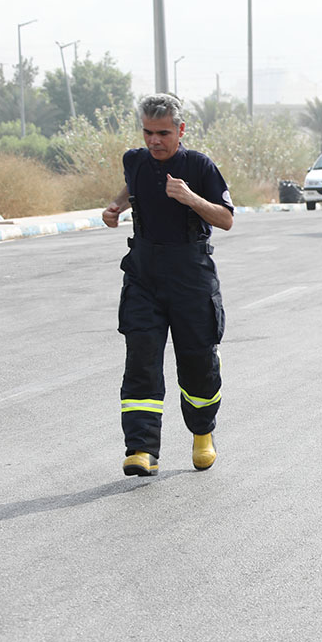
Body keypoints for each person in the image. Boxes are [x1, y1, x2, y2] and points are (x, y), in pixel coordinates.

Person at [102, 94, 234, 476]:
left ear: (180, 130)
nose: (154, 141)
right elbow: (132, 186)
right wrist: (115, 208)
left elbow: (225, 219)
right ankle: (141, 449)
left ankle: (202, 432)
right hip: (143, 275)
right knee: (141, 360)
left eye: (162, 133)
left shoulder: (199, 165)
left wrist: (190, 197)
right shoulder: (135, 160)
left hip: (191, 276)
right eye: (147, 132)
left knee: (197, 363)